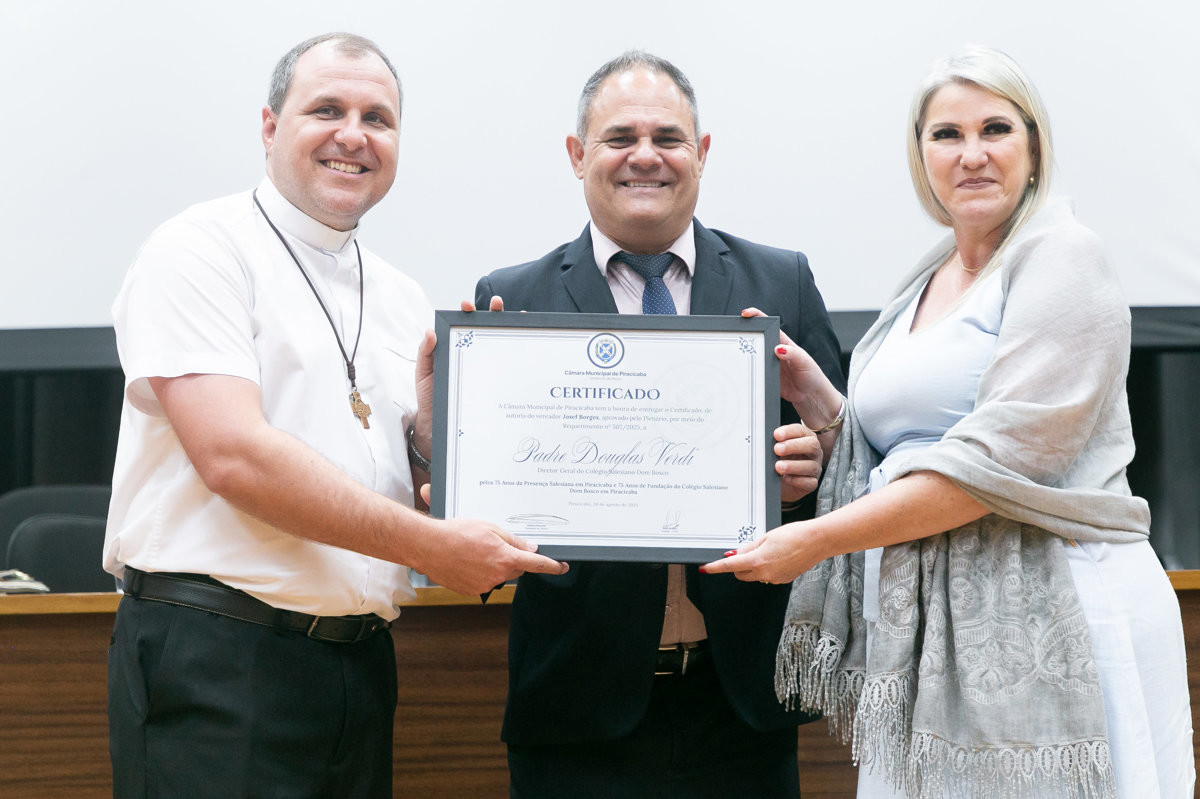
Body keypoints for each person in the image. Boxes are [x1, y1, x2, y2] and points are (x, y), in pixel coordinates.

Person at [704, 46, 1194, 798]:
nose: (971, 155)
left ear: (1034, 148)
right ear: (920, 156)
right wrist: (827, 408)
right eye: (946, 135)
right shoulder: (930, 275)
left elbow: (993, 465)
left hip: (1065, 615)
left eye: (995, 128)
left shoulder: (1064, 255)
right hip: (934, 642)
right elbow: (907, 448)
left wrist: (810, 540)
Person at [104, 32, 565, 798]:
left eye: (377, 118)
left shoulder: (398, 294)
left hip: (358, 667)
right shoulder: (198, 249)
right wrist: (432, 543)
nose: (354, 135)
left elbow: (380, 475)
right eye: (327, 109)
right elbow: (234, 457)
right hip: (218, 660)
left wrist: (433, 439)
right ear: (268, 126)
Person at [471, 51, 845, 798]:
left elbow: (848, 479)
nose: (645, 155)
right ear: (578, 156)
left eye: (668, 137)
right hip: (577, 711)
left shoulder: (782, 281)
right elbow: (487, 512)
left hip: (739, 705)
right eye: (619, 138)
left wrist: (814, 469)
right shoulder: (513, 300)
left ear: (701, 155)